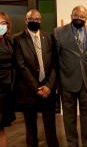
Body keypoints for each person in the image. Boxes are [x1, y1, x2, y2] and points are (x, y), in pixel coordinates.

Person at [14, 9, 59, 147]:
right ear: (25, 20)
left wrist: (49, 86)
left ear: (41, 20)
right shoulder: (17, 39)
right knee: (31, 126)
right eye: (31, 18)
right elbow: (21, 66)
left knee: (50, 125)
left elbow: (55, 64)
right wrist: (36, 88)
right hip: (29, 90)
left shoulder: (49, 37)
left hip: (47, 89)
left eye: (37, 18)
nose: (34, 21)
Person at [54, 6, 87, 147]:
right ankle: (72, 144)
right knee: (69, 117)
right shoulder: (59, 32)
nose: (79, 17)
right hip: (67, 81)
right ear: (71, 15)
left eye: (83, 15)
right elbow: (55, 57)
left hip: (86, 81)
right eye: (76, 14)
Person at [0, 12, 15, 147]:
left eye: (3, 23)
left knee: (2, 128)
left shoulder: (9, 40)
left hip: (6, 90)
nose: (1, 26)